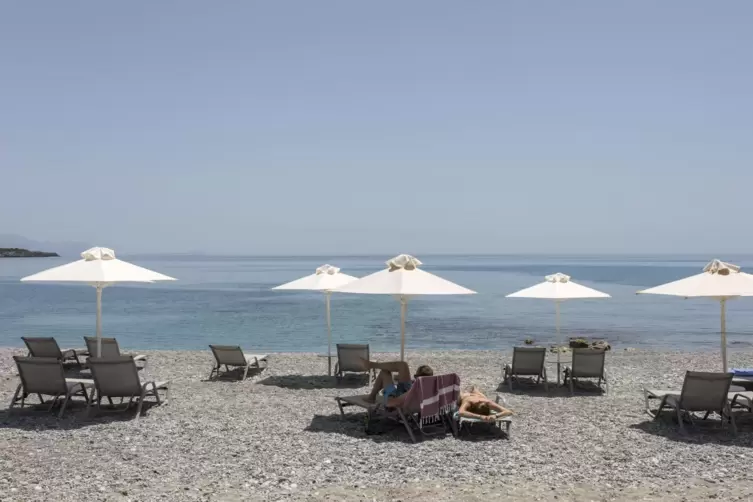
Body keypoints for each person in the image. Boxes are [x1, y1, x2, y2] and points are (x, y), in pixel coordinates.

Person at [361, 358, 433, 407]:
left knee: (385, 372)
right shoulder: (433, 387)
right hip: (406, 394)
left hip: (395, 400)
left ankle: (371, 397)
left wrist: (387, 392)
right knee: (401, 366)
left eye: (416, 376)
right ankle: (372, 365)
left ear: (418, 377)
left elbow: (393, 402)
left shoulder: (416, 389)